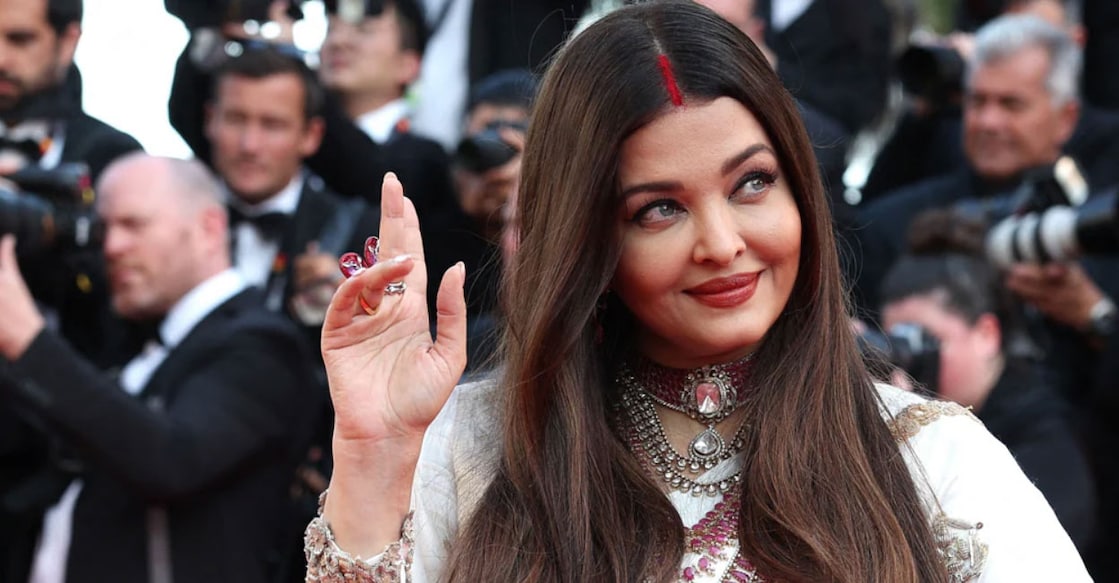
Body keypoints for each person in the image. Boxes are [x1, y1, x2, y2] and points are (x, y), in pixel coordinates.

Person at [304, 2, 1088, 581]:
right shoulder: (474, 452)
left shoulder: (929, 459)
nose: (721, 242)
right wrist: (372, 458)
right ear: (586, 241)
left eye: (752, 183)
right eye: (660, 208)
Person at [0, 154, 320, 582]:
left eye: (134, 225)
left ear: (209, 228)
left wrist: (27, 338)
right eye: (104, 228)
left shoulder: (263, 345)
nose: (111, 247)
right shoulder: (136, 335)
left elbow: (172, 458)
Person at [878, 209, 1097, 551]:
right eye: (898, 345)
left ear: (986, 334)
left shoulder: (1047, 447)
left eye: (927, 341)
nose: (911, 362)